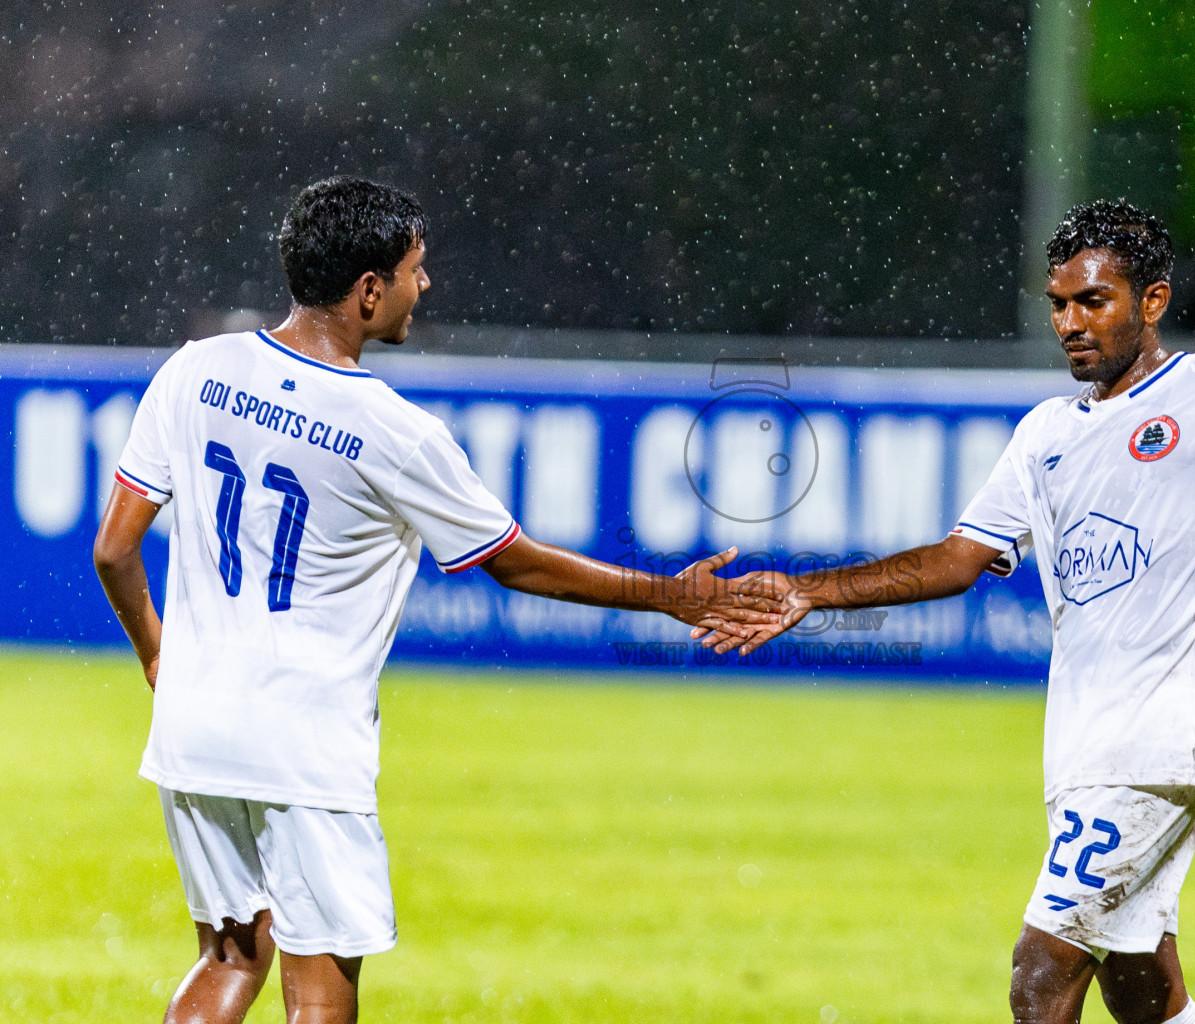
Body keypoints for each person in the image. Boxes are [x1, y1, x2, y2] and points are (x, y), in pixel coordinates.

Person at [698, 199, 1195, 1024]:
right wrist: (808, 591)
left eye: (1093, 301)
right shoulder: (1046, 433)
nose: (1070, 323)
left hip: (1153, 748)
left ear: (1151, 301)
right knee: (1141, 988)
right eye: (1058, 304)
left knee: (1040, 974)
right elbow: (954, 560)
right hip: (1080, 747)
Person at [92, 175, 780, 1024]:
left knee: (230, 958)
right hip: (304, 739)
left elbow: (115, 548)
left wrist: (158, 651)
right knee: (319, 991)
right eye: (416, 269)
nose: (427, 285)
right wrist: (669, 594)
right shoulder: (392, 430)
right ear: (368, 290)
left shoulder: (199, 369)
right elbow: (516, 564)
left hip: (194, 725)